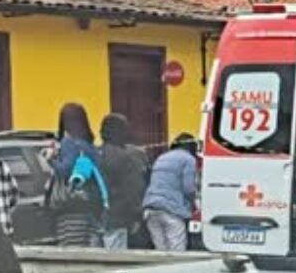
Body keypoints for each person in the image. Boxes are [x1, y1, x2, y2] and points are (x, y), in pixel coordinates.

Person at [47, 103, 108, 247]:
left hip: (71, 209)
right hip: (91, 207)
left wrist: (51, 161)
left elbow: (66, 170)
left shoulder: (68, 143)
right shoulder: (89, 146)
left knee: (72, 253)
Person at [98, 113, 150, 250]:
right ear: (120, 133)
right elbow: (134, 189)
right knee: (115, 260)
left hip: (93, 218)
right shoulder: (126, 158)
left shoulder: (95, 153)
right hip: (118, 217)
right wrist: (137, 215)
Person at [143, 133, 199, 252]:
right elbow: (188, 188)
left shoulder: (161, 157)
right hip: (171, 210)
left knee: (160, 252)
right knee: (177, 253)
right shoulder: (188, 159)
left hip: (150, 209)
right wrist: (194, 206)